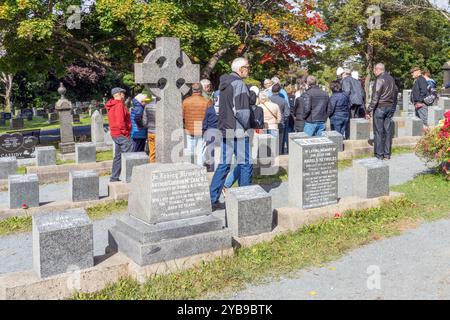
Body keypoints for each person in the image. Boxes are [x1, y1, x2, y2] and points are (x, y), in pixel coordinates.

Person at [209, 57, 252, 210]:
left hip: (226, 128)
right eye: (247, 67)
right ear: (240, 69)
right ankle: (244, 200)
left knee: (224, 164)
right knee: (245, 164)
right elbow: (242, 111)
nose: (249, 69)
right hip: (238, 130)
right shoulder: (239, 84)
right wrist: (248, 126)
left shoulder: (223, 85)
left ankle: (212, 198)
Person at [366, 63, 398, 160]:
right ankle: (387, 154)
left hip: (380, 107)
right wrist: (393, 107)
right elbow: (395, 93)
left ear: (377, 69)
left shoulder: (379, 79)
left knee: (379, 132)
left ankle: (379, 155)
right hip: (389, 107)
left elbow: (376, 96)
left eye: (374, 70)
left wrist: (368, 110)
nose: (374, 72)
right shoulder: (391, 79)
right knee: (387, 131)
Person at [105, 87, 132, 182]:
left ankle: (114, 177)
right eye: (123, 93)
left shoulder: (111, 105)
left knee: (118, 156)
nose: (124, 95)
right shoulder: (119, 104)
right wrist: (125, 132)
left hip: (115, 134)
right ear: (119, 94)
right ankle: (130, 178)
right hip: (122, 134)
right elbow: (120, 121)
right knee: (129, 156)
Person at [182, 83, 211, 166]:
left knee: (189, 151)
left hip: (189, 128)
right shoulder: (206, 101)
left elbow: (182, 116)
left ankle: (188, 169)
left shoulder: (186, 101)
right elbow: (209, 116)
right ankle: (200, 170)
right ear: (201, 90)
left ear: (192, 90)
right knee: (200, 152)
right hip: (201, 128)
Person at [202, 90, 221, 171]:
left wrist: (204, 132)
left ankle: (212, 169)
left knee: (211, 152)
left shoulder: (210, 109)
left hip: (210, 132)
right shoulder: (225, 110)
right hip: (220, 132)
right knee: (220, 152)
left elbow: (205, 123)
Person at [270, 83, 290, 154]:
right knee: (280, 141)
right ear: (279, 91)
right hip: (280, 123)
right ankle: (280, 155)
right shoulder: (283, 100)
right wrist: (282, 120)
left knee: (270, 141)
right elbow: (287, 113)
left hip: (270, 123)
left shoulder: (268, 100)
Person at [142, 97, 157, 163]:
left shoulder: (147, 106)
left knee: (152, 152)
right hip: (160, 132)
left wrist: (149, 127)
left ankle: (151, 166)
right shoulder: (164, 105)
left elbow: (144, 122)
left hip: (150, 131)